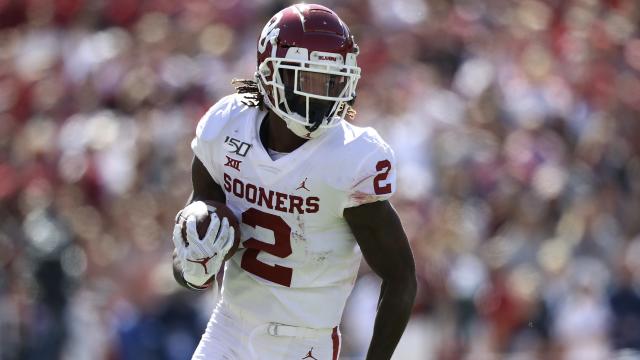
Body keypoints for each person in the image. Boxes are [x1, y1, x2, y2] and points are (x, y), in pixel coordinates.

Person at [171, 4, 416, 359]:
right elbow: (190, 254)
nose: (323, 96)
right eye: (310, 79)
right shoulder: (226, 126)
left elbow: (401, 278)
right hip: (228, 329)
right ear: (271, 73)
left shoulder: (350, 158)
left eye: (333, 81)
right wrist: (192, 267)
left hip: (304, 346)